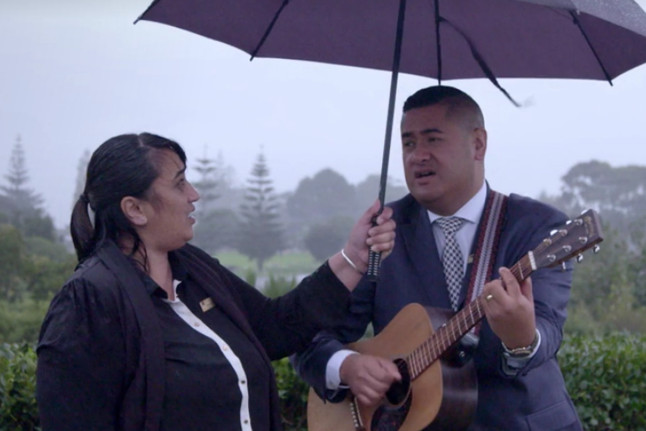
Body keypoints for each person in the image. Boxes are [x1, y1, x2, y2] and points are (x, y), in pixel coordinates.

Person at [35, 132, 396, 431]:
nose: (194, 194)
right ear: (135, 209)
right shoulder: (89, 301)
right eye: (179, 184)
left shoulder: (195, 270)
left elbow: (273, 327)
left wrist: (354, 257)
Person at [294, 86, 583, 430]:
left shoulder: (538, 227)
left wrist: (522, 340)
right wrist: (347, 366)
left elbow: (547, 328)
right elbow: (309, 335)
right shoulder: (384, 230)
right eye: (409, 143)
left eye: (432, 140)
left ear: (478, 144)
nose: (418, 156)